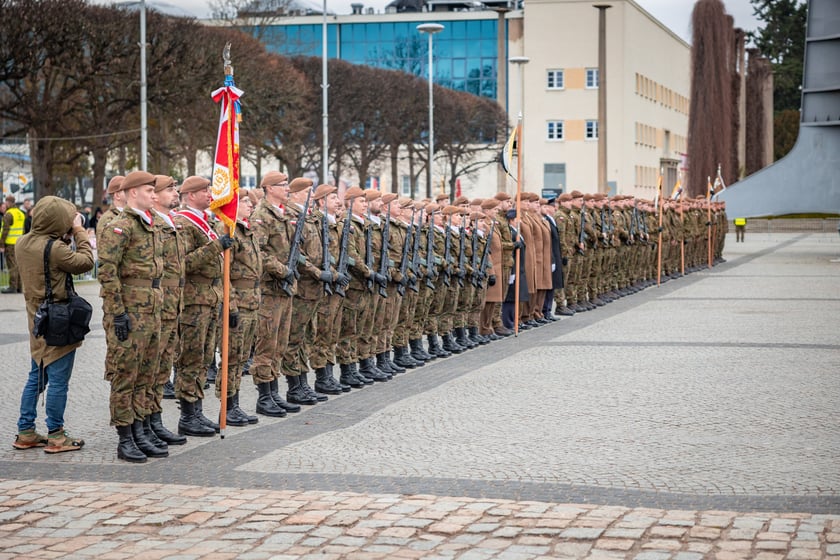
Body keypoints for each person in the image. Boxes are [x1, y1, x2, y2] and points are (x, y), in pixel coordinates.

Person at [12, 196, 94, 453]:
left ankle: (25, 431)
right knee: (58, 380)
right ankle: (57, 434)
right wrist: (79, 231)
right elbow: (86, 262)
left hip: (35, 315)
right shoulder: (56, 249)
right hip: (58, 317)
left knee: (36, 374)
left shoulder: (22, 242)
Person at [98, 170, 167, 463]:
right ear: (133, 192)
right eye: (149, 190)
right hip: (130, 311)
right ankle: (125, 437)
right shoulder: (121, 225)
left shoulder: (150, 225)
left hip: (151, 310)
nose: (154, 195)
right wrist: (117, 313)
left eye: (155, 190)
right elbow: (107, 271)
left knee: (146, 375)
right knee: (126, 374)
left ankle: (140, 430)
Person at [1, 195, 27, 293]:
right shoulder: (20, 213)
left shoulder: (9, 214)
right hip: (19, 243)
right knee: (18, 265)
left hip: (10, 243)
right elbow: (23, 230)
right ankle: (19, 287)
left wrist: (1, 244)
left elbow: (5, 230)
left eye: (6, 202)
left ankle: (12, 287)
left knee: (12, 266)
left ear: (8, 202)